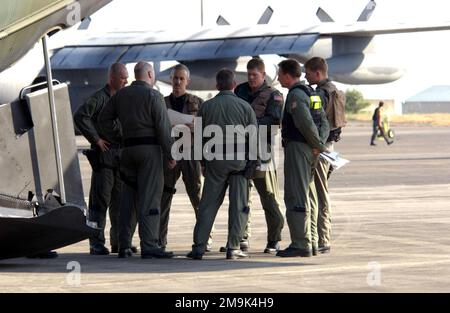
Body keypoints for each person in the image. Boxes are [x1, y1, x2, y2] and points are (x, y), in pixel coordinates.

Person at [98, 61, 176, 259]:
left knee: (128, 199)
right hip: (149, 152)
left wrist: (117, 136)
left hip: (127, 150)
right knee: (150, 196)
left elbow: (103, 119)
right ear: (150, 74)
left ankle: (123, 244)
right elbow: (163, 128)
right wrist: (170, 153)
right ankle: (149, 245)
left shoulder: (121, 95)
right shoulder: (153, 95)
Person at [186, 69, 258, 260]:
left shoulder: (207, 107)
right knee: (239, 205)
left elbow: (199, 138)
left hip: (215, 161)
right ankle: (233, 247)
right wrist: (253, 163)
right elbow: (254, 138)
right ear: (234, 84)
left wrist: (202, 162)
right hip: (239, 163)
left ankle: (199, 247)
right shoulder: (245, 107)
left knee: (207, 205)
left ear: (217, 86)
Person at [74, 63, 137, 255]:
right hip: (104, 157)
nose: (126, 81)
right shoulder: (101, 98)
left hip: (120, 158)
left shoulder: (122, 99)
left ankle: (118, 241)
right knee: (99, 203)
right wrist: (96, 139)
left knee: (119, 202)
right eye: (123, 78)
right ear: (112, 78)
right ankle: (96, 242)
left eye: (127, 78)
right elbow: (81, 116)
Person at [277, 59, 329, 257]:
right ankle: (312, 241)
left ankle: (300, 243)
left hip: (299, 148)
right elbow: (323, 120)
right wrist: (320, 144)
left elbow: (305, 123)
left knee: (296, 195)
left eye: (280, 74)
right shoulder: (312, 93)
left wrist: (317, 145)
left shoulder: (296, 95)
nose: (279, 78)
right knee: (310, 194)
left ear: (288, 75)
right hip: (312, 149)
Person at [233, 58, 284, 254]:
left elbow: (273, 121)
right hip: (241, 151)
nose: (251, 78)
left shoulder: (274, 95)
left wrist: (249, 125)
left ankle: (274, 239)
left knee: (269, 197)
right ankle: (242, 237)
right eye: (249, 75)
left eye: (255, 75)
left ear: (263, 75)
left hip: (263, 153)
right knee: (241, 197)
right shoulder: (240, 91)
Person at [159, 64, 212, 251]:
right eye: (175, 78)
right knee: (164, 197)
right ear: (171, 80)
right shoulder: (162, 103)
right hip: (170, 156)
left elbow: (208, 130)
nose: (178, 82)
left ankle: (205, 238)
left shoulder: (198, 103)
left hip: (191, 155)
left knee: (197, 197)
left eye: (181, 79)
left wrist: (196, 127)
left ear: (187, 81)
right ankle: (160, 240)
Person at [304, 57, 340, 254]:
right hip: (330, 146)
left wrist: (316, 144)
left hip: (320, 146)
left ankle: (322, 238)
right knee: (321, 191)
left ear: (317, 73)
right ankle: (322, 236)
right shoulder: (334, 90)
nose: (305, 76)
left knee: (318, 192)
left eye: (308, 73)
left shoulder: (319, 93)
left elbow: (315, 119)